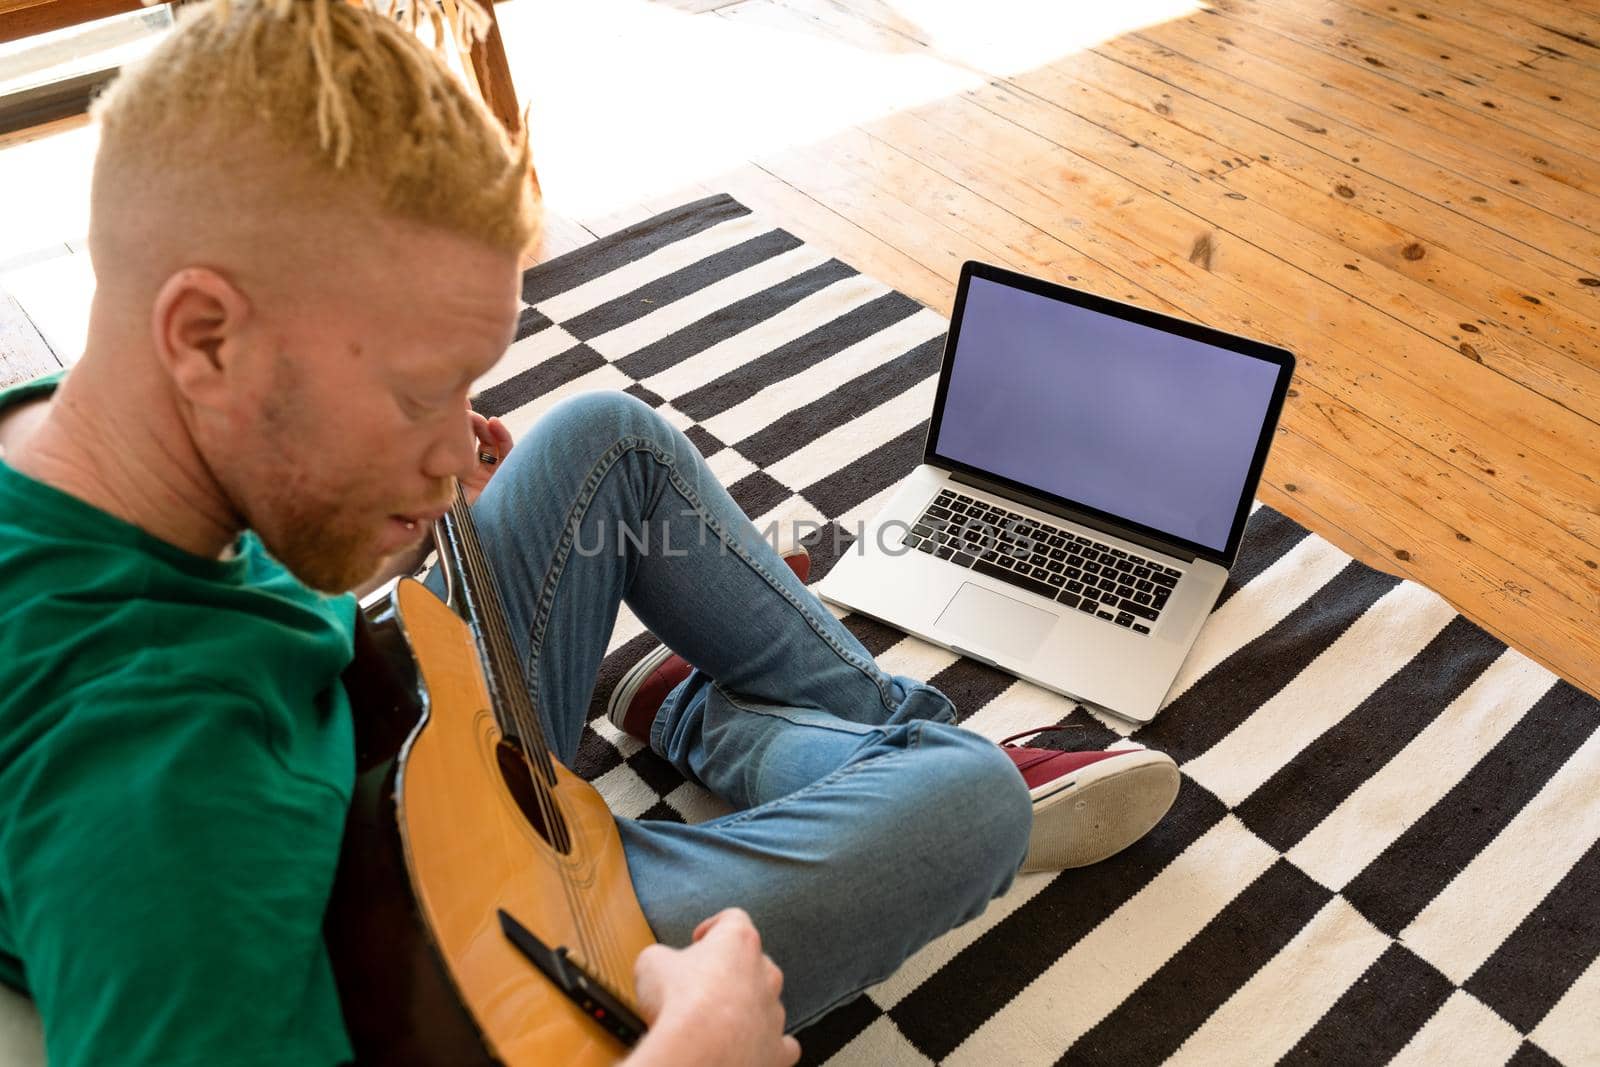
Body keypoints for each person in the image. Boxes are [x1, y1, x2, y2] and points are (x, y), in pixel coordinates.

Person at [0, 1, 1180, 1064]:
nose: (461, 452)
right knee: (968, 796)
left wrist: (381, 503)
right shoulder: (151, 793)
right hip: (425, 940)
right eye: (422, 391)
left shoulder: (78, 440)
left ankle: (745, 723)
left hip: (388, 747)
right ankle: (793, 737)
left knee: (603, 437)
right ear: (205, 335)